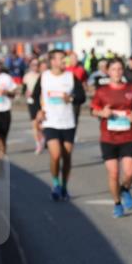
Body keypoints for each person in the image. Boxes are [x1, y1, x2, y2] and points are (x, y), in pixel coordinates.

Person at [91, 58, 132, 218]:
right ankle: (117, 203)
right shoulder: (102, 91)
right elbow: (93, 109)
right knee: (113, 173)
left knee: (129, 172)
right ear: (108, 71)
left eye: (120, 69)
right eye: (113, 69)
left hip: (128, 135)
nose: (117, 72)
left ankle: (125, 189)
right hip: (109, 138)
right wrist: (102, 113)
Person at [35, 50, 85, 201]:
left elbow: (81, 97)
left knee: (67, 157)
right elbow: (34, 95)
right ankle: (55, 184)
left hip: (68, 121)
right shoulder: (44, 77)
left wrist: (71, 98)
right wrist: (38, 111)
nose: (65, 61)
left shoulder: (71, 77)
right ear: (53, 61)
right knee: (55, 155)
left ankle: (64, 186)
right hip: (50, 122)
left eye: (65, 59)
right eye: (62, 59)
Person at [23, 58, 44, 154]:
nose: (35, 67)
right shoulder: (27, 76)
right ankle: (38, 143)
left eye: (37, 65)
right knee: (34, 123)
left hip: (42, 101)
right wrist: (26, 92)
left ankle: (43, 137)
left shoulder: (43, 75)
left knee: (41, 124)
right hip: (32, 101)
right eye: (33, 65)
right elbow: (24, 89)